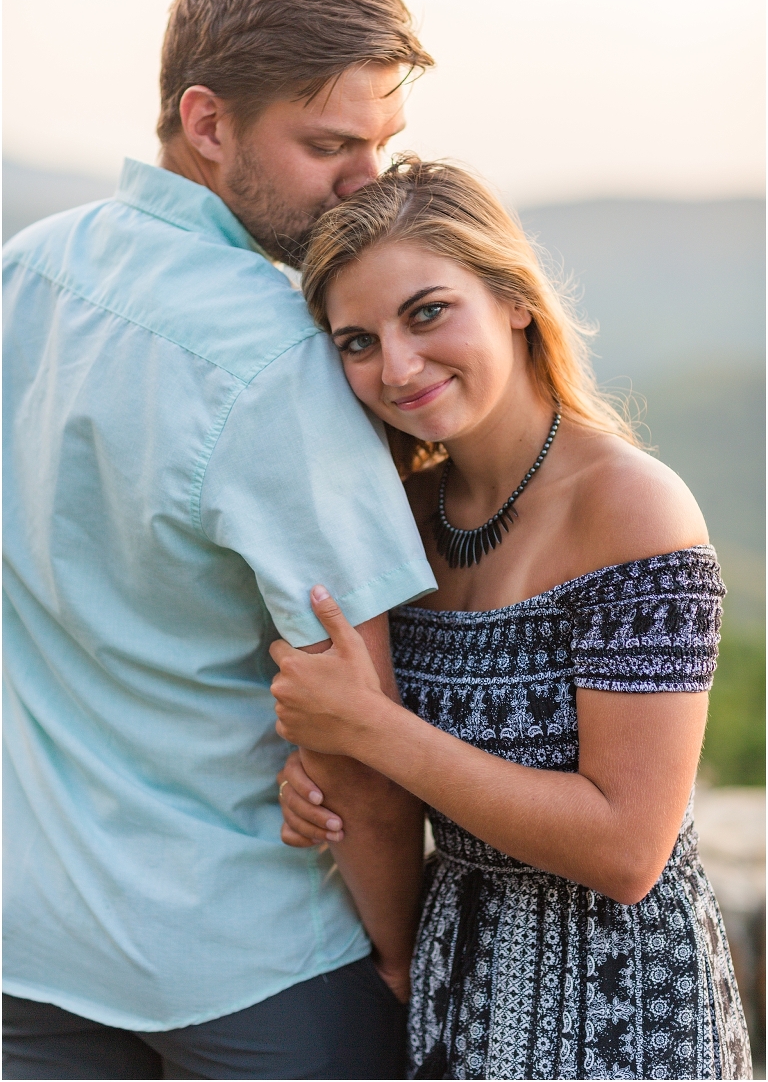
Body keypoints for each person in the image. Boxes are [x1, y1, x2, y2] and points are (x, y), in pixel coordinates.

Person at [2, 0, 438, 1079]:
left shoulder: (26, 272)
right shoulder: (278, 349)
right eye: (329, 146)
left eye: (381, 147)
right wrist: (395, 957)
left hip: (33, 938)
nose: (365, 184)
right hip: (254, 954)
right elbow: (356, 721)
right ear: (207, 122)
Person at [270, 158, 753, 1081]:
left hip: (621, 1015)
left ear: (514, 298)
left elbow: (626, 848)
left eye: (426, 312)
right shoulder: (405, 516)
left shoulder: (635, 509)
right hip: (454, 986)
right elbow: (407, 777)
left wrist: (373, 730)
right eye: (356, 341)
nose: (397, 366)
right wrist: (323, 782)